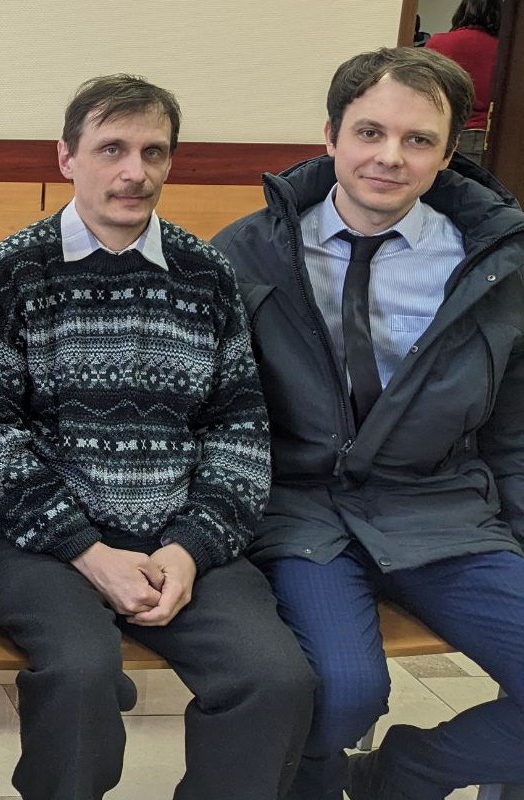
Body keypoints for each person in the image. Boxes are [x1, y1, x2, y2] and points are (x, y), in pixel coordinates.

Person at [0, 74, 317, 800]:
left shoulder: (206, 273)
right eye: (112, 149)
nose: (135, 172)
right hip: (43, 539)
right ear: (66, 157)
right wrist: (88, 552)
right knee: (80, 674)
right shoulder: (13, 270)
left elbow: (239, 430)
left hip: (178, 532)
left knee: (274, 679)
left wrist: (190, 548)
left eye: (154, 152)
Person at [212, 47, 524, 800]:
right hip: (300, 511)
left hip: (441, 508)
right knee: (341, 693)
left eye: (418, 140)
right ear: (330, 135)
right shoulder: (244, 254)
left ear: (447, 155)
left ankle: (402, 773)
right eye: (370, 132)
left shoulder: (495, 267)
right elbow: (210, 415)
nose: (390, 157)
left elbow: (514, 431)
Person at [424, 0, 501, 161]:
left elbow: (422, 89)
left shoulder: (438, 43)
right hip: (489, 136)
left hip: (446, 130)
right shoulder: (503, 50)